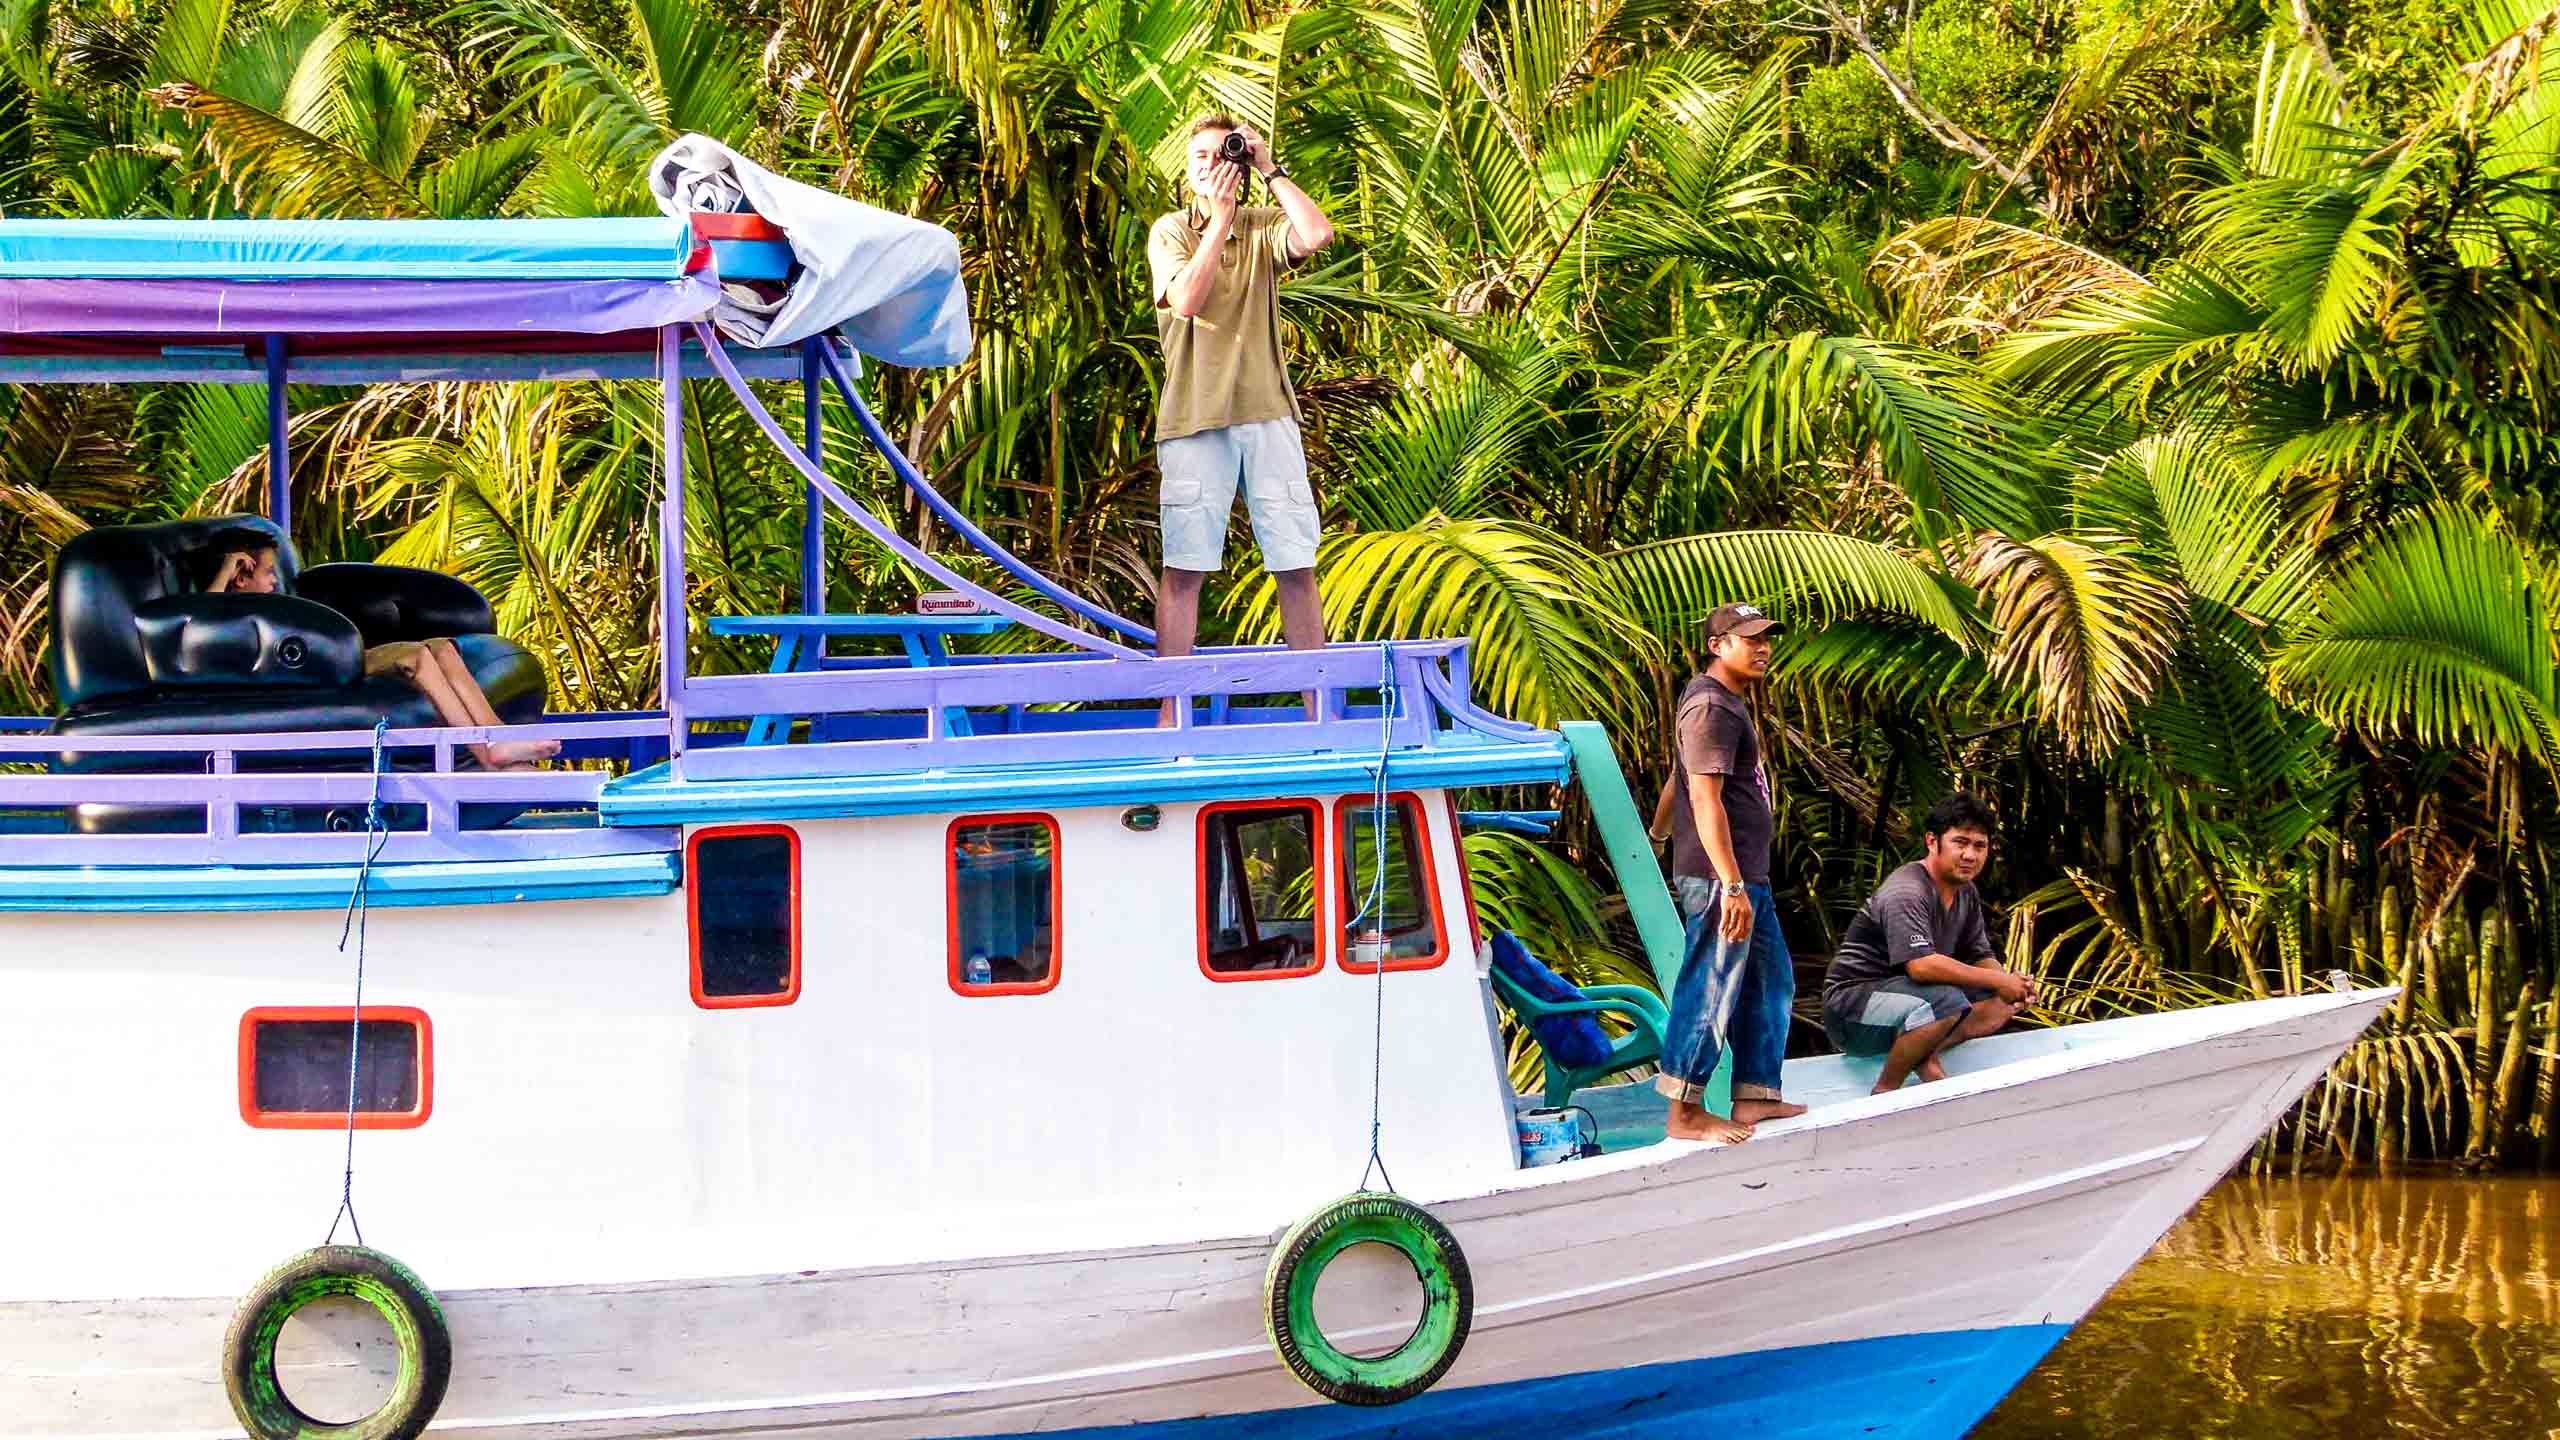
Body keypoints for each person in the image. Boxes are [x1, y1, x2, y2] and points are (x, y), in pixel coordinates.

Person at [1145, 112, 1339, 717]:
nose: (1212, 165)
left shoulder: (1260, 225)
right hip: (1194, 419)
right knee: (1185, 567)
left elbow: (1316, 234)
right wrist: (1220, 221)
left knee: (1295, 562)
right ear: (1186, 171)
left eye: (1221, 154)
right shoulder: (1171, 231)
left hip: (1267, 412)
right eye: (1200, 157)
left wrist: (1268, 166)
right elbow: (1187, 299)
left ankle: (1317, 708)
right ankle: (1170, 716)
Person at [1649, 602, 1806, 1143]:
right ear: (1718, 646)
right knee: (1711, 986)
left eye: (1766, 639)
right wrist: (1730, 885)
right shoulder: (1712, 708)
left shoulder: (1722, 703)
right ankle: (1685, 1115)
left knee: (1771, 979)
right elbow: (1704, 794)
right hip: (1725, 879)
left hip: (1741, 875)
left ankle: (1755, 1098)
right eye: (1750, 639)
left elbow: (1678, 779)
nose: (1762, 648)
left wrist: (1659, 833)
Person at [206, 540, 559, 771]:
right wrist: (225, 570)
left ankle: (497, 737)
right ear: (241, 576)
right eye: (268, 573)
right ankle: (486, 752)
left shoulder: (276, 605)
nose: (273, 582)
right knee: (416, 655)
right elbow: (203, 619)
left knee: (442, 647)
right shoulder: (235, 611)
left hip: (337, 656)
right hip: (325, 672)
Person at [1821, 791, 2035, 1093]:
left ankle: (1922, 1052)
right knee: (1946, 1002)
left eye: (1979, 846)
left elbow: (1979, 953)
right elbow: (1921, 967)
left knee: (2001, 1001)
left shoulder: (1966, 892)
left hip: (1913, 1000)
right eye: (1960, 842)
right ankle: (1885, 1090)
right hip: (1852, 1009)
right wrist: (1999, 980)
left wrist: (2012, 985)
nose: (1970, 855)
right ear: (1932, 841)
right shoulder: (1907, 891)